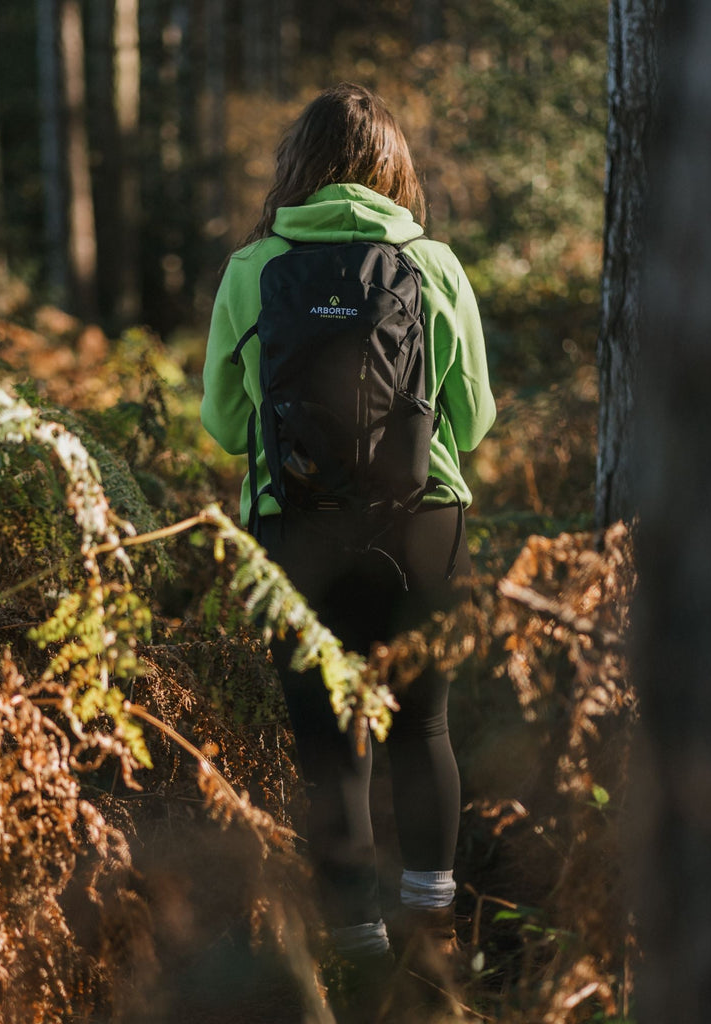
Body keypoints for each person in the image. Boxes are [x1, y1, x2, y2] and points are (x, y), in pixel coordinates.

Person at [201, 83, 496, 1016]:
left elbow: (219, 420)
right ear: (392, 170)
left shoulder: (255, 266)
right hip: (424, 524)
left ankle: (357, 960)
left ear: (298, 168)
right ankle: (434, 941)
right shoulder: (434, 264)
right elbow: (476, 418)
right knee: (426, 727)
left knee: (331, 743)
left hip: (293, 526)